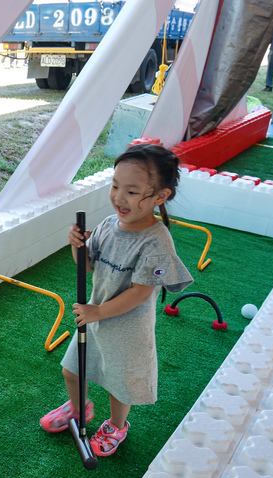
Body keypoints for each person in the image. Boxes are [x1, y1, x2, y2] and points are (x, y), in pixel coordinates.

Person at [40, 144, 193, 456]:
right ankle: (79, 407)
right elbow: (86, 266)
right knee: (72, 370)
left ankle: (117, 426)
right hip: (95, 319)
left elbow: (141, 292)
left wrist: (97, 312)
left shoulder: (156, 241)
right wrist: (77, 246)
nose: (119, 197)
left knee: (117, 383)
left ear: (160, 197)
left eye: (133, 192)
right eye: (115, 186)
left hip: (126, 329)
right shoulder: (109, 226)